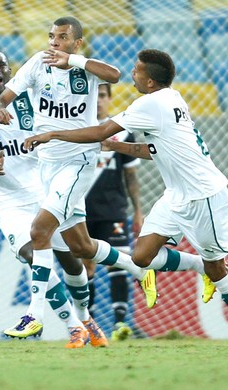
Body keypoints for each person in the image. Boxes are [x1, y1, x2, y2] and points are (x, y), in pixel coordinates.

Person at [24, 49, 228, 347]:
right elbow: (154, 151)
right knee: (141, 257)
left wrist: (53, 134)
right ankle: (200, 266)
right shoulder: (173, 98)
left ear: (150, 81)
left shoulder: (150, 104)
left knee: (217, 266)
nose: (133, 73)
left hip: (204, 195)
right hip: (176, 196)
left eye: (138, 70)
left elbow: (102, 129)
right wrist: (116, 148)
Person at [0, 16, 157, 341]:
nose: (54, 42)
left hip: (79, 161)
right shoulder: (37, 64)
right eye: (52, 36)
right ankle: (138, 269)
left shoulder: (86, 68)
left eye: (62, 37)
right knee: (80, 245)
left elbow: (117, 75)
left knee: (39, 230)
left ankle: (34, 314)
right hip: (47, 165)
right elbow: (4, 97)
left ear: (76, 42)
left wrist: (74, 61)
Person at [0, 50, 96, 348]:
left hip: (44, 190)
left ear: (10, 71)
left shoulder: (34, 101)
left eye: (0, 65)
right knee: (32, 255)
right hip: (6, 202)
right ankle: (74, 327)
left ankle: (86, 318)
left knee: (72, 261)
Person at [82, 83, 144, 341]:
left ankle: (120, 323)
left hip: (114, 210)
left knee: (119, 263)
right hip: (81, 211)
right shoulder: (78, 129)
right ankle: (90, 325)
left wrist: (138, 210)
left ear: (110, 99)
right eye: (94, 96)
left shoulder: (123, 131)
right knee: (86, 268)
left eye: (103, 96)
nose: (99, 101)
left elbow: (130, 175)